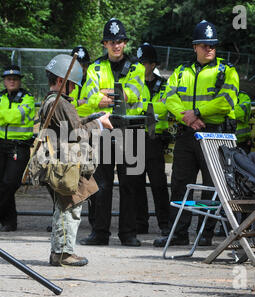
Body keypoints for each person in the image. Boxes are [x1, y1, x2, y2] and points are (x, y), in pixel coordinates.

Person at [153, 20, 239, 247]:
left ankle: (205, 234)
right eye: (203, 45)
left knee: (212, 186)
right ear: (194, 47)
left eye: (212, 45)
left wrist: (198, 112)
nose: (208, 48)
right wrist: (186, 117)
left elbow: (227, 100)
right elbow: (168, 97)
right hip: (186, 134)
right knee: (180, 184)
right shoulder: (181, 72)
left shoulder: (227, 71)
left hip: (214, 134)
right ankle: (178, 234)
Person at [41, 54, 113, 266]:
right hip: (66, 164)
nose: (74, 89)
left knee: (68, 206)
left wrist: (92, 118)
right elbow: (77, 134)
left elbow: (72, 125)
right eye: (72, 84)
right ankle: (63, 254)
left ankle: (60, 252)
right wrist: (98, 125)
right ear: (62, 81)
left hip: (62, 162)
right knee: (69, 206)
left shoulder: (53, 101)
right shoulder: (60, 103)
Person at [80, 18, 145, 247]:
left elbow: (134, 92)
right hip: (105, 130)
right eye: (111, 41)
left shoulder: (136, 67)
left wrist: (106, 95)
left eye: (119, 41)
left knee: (130, 184)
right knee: (102, 183)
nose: (116, 45)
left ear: (125, 43)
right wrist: (115, 95)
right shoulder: (96, 67)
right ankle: (100, 233)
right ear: (105, 44)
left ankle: (128, 234)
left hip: (130, 131)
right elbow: (89, 96)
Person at [0, 65, 35, 232]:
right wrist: (4, 117)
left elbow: (15, 116)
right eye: (9, 79)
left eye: (15, 79)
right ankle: (9, 222)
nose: (12, 81)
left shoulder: (28, 98)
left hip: (19, 146)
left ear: (19, 81)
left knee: (10, 183)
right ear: (4, 81)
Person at [134, 43, 171, 236]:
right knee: (137, 183)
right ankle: (141, 223)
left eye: (146, 63)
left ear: (153, 64)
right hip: (135, 136)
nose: (142, 66)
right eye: (139, 62)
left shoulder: (163, 84)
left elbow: (164, 108)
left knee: (158, 184)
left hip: (155, 138)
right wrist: (150, 108)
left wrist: (142, 108)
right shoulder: (133, 83)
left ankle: (165, 223)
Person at [70, 45, 93, 117]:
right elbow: (61, 104)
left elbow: (91, 106)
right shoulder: (66, 81)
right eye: (78, 65)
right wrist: (78, 103)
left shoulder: (93, 81)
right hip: (68, 119)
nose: (82, 68)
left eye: (84, 65)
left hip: (88, 120)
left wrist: (72, 107)